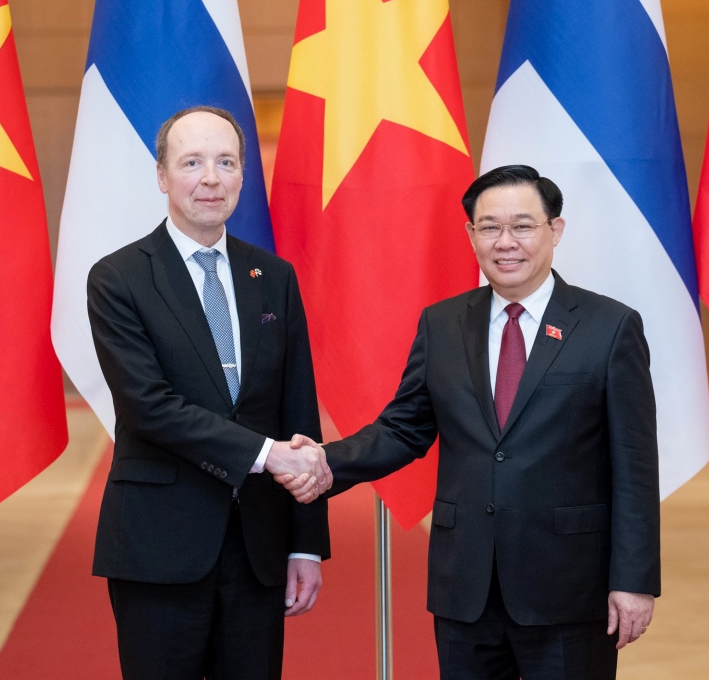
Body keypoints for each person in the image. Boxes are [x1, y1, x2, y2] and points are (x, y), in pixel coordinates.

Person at [280, 165, 659, 680]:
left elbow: (635, 468)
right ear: (471, 234)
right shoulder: (442, 323)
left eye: (523, 225)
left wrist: (633, 580)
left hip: (569, 588)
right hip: (466, 588)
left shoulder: (610, 328)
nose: (506, 242)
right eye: (489, 227)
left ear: (556, 230)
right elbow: (403, 429)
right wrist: (326, 461)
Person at [87, 106, 332, 680]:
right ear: (162, 175)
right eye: (191, 162)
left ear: (244, 175)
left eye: (226, 162)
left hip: (258, 547)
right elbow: (149, 407)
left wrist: (306, 543)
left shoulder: (274, 276)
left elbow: (297, 408)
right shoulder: (118, 278)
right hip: (159, 545)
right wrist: (269, 454)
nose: (210, 178)